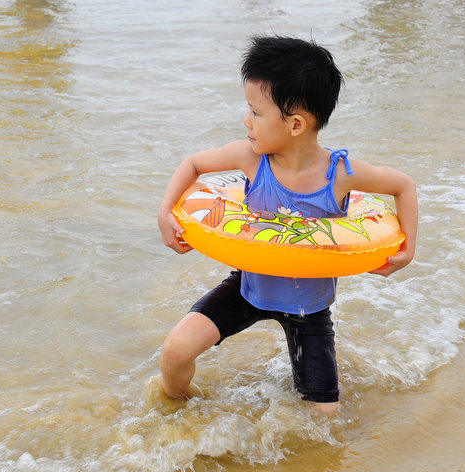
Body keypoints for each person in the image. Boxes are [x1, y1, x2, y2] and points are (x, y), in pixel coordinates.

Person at [156, 35, 418, 416]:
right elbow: (193, 164)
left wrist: (407, 248)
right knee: (176, 351)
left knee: (324, 416)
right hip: (249, 287)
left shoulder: (339, 174)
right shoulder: (250, 158)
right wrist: (165, 212)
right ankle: (182, 411)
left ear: (295, 124)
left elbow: (403, 186)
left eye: (256, 113)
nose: (246, 122)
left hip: (308, 308)